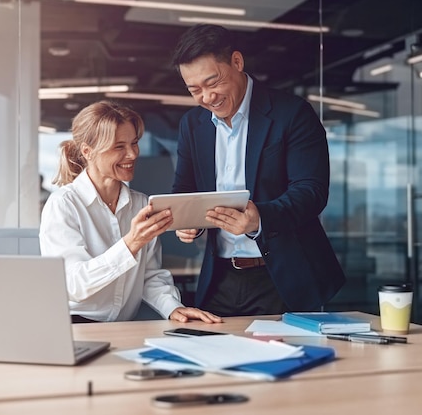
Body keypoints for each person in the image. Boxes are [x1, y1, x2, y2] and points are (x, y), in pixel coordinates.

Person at [170, 24, 346, 317]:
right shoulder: (192, 124)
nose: (207, 97)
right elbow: (184, 188)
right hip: (220, 280)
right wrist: (187, 220)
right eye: (195, 90)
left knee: (287, 362)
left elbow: (311, 191)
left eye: (213, 83)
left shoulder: (291, 113)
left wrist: (259, 218)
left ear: (237, 62)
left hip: (284, 278)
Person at [39, 100, 222, 324]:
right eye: (119, 147)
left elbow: (149, 275)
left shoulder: (140, 203)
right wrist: (131, 243)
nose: (133, 154)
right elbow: (74, 285)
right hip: (75, 327)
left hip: (123, 326)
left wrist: (173, 308)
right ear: (88, 151)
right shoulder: (63, 205)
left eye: (134, 143)